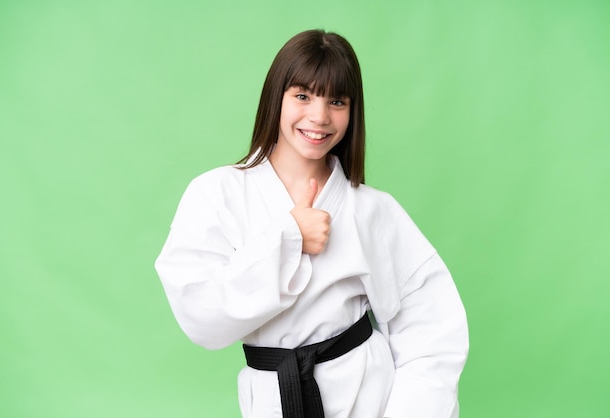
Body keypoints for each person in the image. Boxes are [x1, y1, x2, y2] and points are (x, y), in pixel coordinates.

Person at [155, 29, 469, 418]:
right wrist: (288, 238)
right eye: (302, 96)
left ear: (353, 111)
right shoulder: (217, 194)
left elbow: (432, 327)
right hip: (273, 396)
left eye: (336, 101)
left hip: (367, 396)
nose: (319, 117)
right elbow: (201, 315)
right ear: (276, 98)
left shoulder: (372, 210)